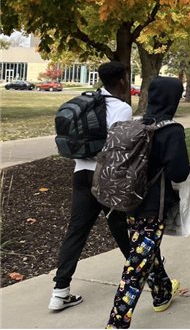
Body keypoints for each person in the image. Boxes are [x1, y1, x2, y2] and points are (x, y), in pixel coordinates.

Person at [107, 76, 190, 329]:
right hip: (154, 206)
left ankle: (162, 293)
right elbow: (179, 173)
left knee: (145, 252)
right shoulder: (172, 130)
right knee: (136, 265)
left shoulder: (137, 124)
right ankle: (117, 323)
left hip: (130, 201)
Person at [49, 61, 132, 312]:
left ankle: (59, 292)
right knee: (122, 231)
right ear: (122, 81)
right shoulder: (121, 108)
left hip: (81, 174)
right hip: (105, 178)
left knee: (76, 232)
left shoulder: (86, 104)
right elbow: (118, 149)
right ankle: (151, 277)